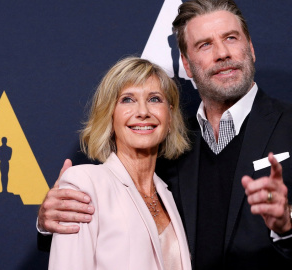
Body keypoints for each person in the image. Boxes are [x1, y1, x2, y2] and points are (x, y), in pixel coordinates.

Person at [39, 1, 292, 269]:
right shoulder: (169, 143)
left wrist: (289, 218)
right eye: (204, 44)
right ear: (187, 65)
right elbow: (118, 224)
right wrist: (50, 220)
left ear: (250, 48)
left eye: (231, 38)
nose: (222, 53)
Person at [47, 57, 192, 270]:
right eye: (127, 99)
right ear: (109, 115)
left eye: (154, 99)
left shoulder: (168, 195)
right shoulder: (86, 184)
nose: (143, 112)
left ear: (169, 116)